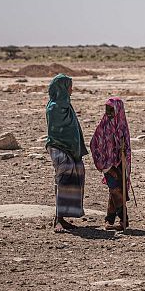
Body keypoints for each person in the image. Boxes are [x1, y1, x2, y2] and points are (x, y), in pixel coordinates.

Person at [45, 74, 88, 233]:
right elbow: (58, 131)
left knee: (77, 171)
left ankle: (66, 214)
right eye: (69, 86)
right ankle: (58, 218)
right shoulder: (54, 107)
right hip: (58, 147)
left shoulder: (66, 105)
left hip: (69, 148)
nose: (72, 89)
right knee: (64, 175)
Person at [90, 97, 132, 231]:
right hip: (107, 164)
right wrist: (103, 164)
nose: (108, 112)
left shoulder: (122, 125)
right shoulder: (103, 125)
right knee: (115, 189)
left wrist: (123, 151)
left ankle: (109, 219)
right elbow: (94, 143)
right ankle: (124, 219)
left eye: (111, 109)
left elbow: (127, 147)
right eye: (107, 109)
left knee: (116, 190)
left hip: (120, 163)